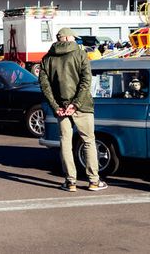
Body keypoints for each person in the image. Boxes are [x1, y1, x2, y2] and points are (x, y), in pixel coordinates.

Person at [39, 27, 108, 192]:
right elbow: (86, 81)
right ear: (68, 38)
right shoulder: (80, 54)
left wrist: (56, 106)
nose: (76, 40)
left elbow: (44, 85)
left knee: (65, 143)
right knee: (88, 141)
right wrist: (75, 104)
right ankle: (93, 181)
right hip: (82, 106)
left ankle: (70, 182)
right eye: (74, 38)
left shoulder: (47, 58)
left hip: (60, 108)